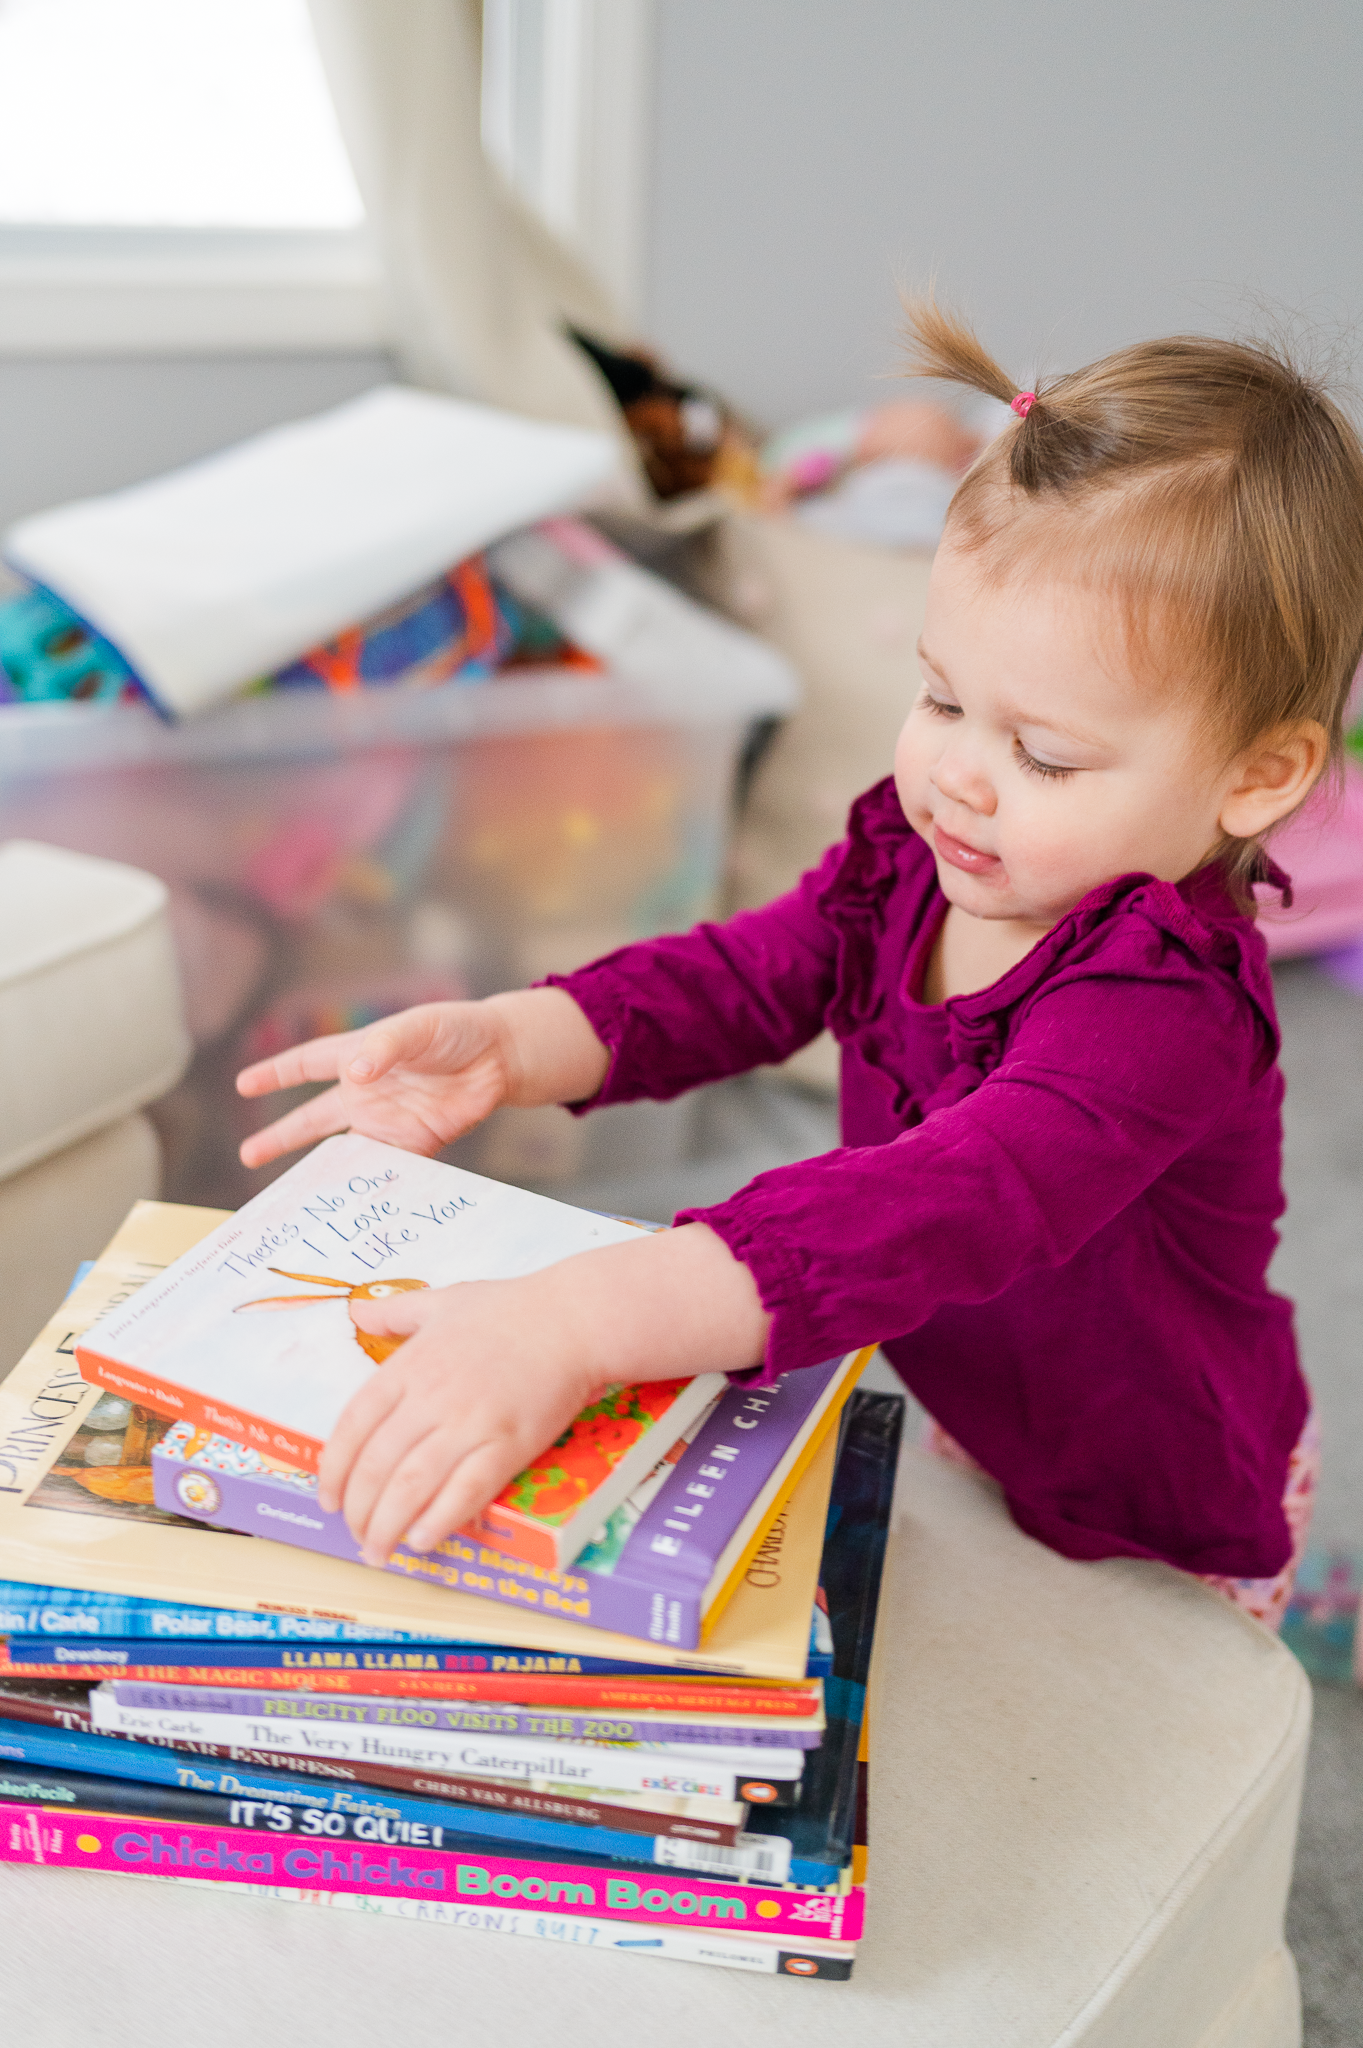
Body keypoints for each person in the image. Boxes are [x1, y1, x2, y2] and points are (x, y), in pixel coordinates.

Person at [236, 305, 1363, 1627]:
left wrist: (576, 1322)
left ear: (1258, 775)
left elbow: (939, 1201)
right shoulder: (910, 852)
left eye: (1041, 755)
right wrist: (513, 1038)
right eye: (941, 697)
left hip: (1157, 1490)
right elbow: (739, 978)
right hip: (972, 1386)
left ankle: (1308, 1602)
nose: (956, 774)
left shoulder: (1164, 1012)